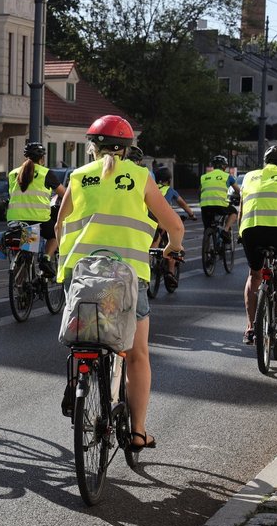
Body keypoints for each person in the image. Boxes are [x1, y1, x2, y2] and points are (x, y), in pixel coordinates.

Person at [56, 115, 184, 451]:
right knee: (137, 354)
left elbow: (59, 226)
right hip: (127, 278)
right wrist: (171, 248)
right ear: (126, 149)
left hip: (82, 275)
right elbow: (174, 226)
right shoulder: (140, 176)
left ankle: (77, 377)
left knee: (83, 338)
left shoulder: (79, 177)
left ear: (92, 148)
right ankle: (138, 431)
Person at [239, 145, 277, 344]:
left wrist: (241, 233)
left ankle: (250, 328)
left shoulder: (249, 176)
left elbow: (242, 207)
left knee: (254, 275)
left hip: (251, 229)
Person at [6, 142, 65, 278]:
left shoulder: (13, 173)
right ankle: (46, 258)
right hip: (38, 220)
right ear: (42, 158)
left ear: (25, 157)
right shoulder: (45, 173)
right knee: (54, 234)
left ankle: (21, 280)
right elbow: (64, 193)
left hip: (16, 220)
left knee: (28, 247)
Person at [151, 166, 196, 287]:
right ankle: (170, 273)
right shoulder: (169, 190)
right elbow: (182, 204)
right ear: (169, 180)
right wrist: (191, 214)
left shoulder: (152, 187)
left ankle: (150, 261)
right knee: (173, 244)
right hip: (163, 221)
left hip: (149, 219)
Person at [200, 154, 241, 241]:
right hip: (220, 205)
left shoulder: (204, 177)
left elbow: (200, 192)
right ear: (224, 166)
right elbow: (238, 191)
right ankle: (225, 230)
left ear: (213, 166)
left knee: (207, 226)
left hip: (205, 206)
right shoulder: (227, 176)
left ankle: (207, 239)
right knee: (234, 212)